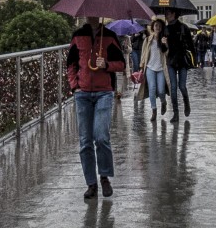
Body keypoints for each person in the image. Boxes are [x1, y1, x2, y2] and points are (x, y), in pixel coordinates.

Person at [67, 17, 125, 199]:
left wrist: (106, 65)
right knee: (85, 141)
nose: (90, 15)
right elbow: (71, 63)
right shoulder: (78, 36)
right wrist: (74, 86)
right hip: (83, 93)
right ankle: (91, 183)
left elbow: (121, 64)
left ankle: (105, 177)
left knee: (101, 137)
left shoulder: (109, 36)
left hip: (104, 93)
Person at [134, 17, 170, 122]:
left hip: (161, 68)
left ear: (162, 27)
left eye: (159, 26)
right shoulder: (147, 40)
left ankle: (163, 102)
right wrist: (141, 67)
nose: (158, 27)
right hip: (150, 67)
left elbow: (167, 54)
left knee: (161, 90)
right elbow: (144, 54)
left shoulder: (164, 39)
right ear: (153, 27)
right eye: (156, 25)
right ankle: (154, 110)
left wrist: (165, 44)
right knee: (152, 89)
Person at [162, 9, 193, 122]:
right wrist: (164, 44)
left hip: (182, 60)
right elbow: (163, 49)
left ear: (174, 14)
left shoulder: (183, 27)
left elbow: (191, 45)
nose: (166, 16)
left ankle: (186, 102)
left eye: (168, 14)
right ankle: (176, 114)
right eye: (165, 14)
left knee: (182, 86)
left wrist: (194, 60)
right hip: (171, 60)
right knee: (173, 88)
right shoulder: (165, 29)